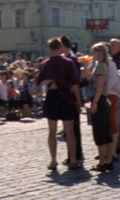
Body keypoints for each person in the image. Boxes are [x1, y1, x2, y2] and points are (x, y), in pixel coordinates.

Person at [36, 37, 82, 171]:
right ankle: (73, 160)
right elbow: (75, 83)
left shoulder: (45, 63)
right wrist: (78, 99)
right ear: (61, 47)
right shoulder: (68, 62)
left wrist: (51, 79)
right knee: (70, 131)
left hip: (52, 96)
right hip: (66, 97)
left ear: (49, 48)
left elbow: (39, 81)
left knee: (52, 131)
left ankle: (53, 161)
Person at [84, 43, 114, 172]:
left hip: (100, 100)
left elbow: (100, 86)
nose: (92, 55)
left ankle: (102, 163)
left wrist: (95, 102)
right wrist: (85, 65)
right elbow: (89, 77)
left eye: (93, 52)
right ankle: (109, 162)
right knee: (106, 133)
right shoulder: (98, 65)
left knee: (100, 134)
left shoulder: (101, 66)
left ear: (99, 53)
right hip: (102, 100)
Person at [60, 35, 84, 164]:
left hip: (71, 95)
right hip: (69, 94)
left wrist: (77, 98)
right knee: (70, 128)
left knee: (73, 128)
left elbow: (74, 80)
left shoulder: (72, 59)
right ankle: (74, 154)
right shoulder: (69, 58)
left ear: (62, 45)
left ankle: (76, 155)